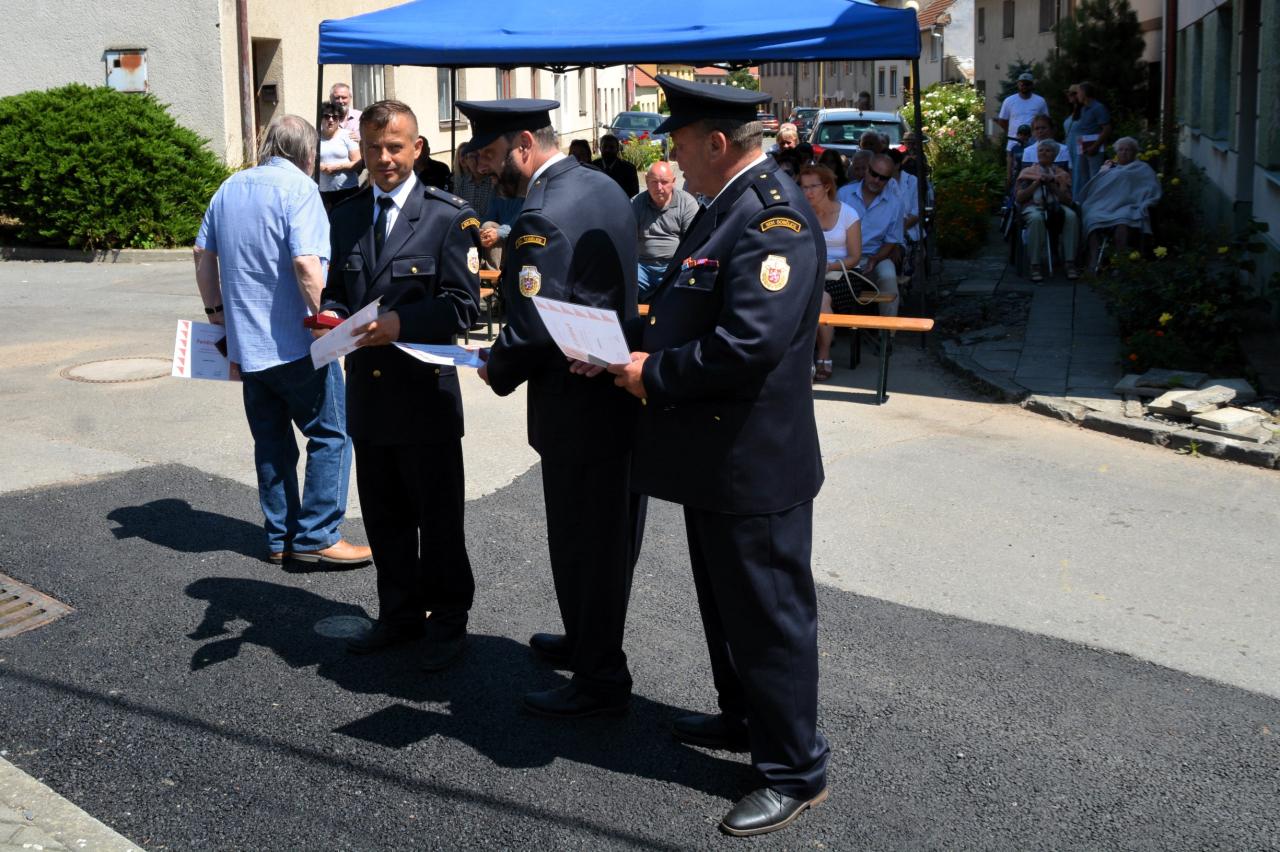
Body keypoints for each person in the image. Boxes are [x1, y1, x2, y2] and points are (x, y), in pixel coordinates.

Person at [600, 74, 830, 838]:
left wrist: (653, 374)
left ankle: (793, 770)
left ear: (717, 143)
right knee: (728, 608)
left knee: (768, 618)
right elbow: (687, 309)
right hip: (715, 456)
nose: (670, 158)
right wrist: (625, 349)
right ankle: (745, 718)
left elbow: (747, 344)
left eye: (679, 143)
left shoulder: (772, 219)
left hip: (754, 462)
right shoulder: (725, 207)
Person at [462, 97, 645, 719]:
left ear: (523, 144)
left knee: (581, 543)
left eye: (490, 155)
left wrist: (496, 367)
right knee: (607, 539)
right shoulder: (602, 186)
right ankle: (587, 639)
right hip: (612, 394)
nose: (484, 169)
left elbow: (534, 321)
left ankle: (599, 678)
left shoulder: (542, 212)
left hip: (575, 404)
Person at [318, 100, 482, 669]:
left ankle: (448, 620)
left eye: (395, 147)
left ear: (417, 148)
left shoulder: (447, 216)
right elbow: (338, 290)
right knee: (384, 517)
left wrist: (400, 324)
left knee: (438, 520)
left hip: (425, 397)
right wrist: (332, 315)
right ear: (360, 150)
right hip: (370, 394)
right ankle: (399, 614)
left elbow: (463, 306)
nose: (384, 158)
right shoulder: (345, 214)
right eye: (373, 148)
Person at [194, 115, 370, 568]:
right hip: (297, 342)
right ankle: (317, 535)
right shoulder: (301, 189)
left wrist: (217, 317)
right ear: (309, 154)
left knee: (271, 442)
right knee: (331, 434)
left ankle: (280, 535)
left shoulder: (229, 188)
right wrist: (326, 323)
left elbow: (201, 253)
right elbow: (307, 263)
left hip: (246, 344)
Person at [799, 165, 861, 382]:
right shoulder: (801, 213)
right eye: (804, 187)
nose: (808, 192)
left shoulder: (848, 214)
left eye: (813, 186)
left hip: (843, 273)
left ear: (826, 187)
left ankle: (823, 355)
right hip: (810, 273)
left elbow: (855, 257)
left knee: (821, 298)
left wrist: (829, 266)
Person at [836, 153, 903, 316]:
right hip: (842, 255)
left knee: (888, 276)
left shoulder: (895, 203)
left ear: (889, 180)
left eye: (883, 178)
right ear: (866, 170)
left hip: (874, 255)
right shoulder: (844, 194)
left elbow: (891, 240)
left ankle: (887, 329)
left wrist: (876, 258)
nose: (877, 180)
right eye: (874, 174)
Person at [1078, 136, 1161, 265]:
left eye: (1128, 150)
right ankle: (1093, 260)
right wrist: (1104, 171)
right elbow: (1098, 187)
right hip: (1103, 205)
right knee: (1091, 218)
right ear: (1116, 152)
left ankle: (1120, 263)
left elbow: (1152, 188)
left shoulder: (1142, 168)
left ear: (1135, 152)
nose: (1124, 152)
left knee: (1123, 220)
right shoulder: (1109, 168)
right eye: (1121, 150)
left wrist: (1146, 202)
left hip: (1128, 205)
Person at [633, 160, 698, 302]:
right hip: (641, 267)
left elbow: (693, 242)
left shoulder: (687, 203)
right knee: (622, 283)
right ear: (646, 181)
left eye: (664, 182)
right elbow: (626, 239)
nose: (659, 187)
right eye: (654, 182)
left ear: (673, 181)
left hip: (673, 267)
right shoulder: (636, 203)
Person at [1015, 139, 1079, 282]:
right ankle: (1035, 264)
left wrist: (1052, 185)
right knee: (1036, 218)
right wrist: (1037, 182)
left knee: (1071, 216)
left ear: (1055, 155)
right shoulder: (1028, 172)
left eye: (1048, 151)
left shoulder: (1061, 174)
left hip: (1056, 205)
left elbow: (1067, 201)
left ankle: (1069, 262)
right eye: (1041, 150)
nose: (1043, 153)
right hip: (1033, 205)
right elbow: (1019, 198)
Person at [318, 100, 361, 212]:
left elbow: (358, 163)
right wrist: (319, 166)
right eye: (326, 116)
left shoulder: (347, 135)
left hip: (347, 190)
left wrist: (337, 167)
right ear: (321, 118)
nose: (330, 120)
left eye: (335, 117)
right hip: (324, 192)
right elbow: (308, 161)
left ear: (339, 119)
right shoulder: (315, 137)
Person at [1072, 81, 1112, 198]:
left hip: (1094, 147)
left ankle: (1097, 200)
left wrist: (1095, 146)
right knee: (1083, 176)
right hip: (1083, 146)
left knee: (1095, 176)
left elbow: (1107, 129)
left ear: (1084, 93)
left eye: (1078, 92)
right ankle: (1085, 201)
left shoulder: (1098, 108)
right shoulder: (1084, 109)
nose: (1077, 95)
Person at [996, 72, 1049, 154]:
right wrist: (1012, 133)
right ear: (1018, 84)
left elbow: (1045, 121)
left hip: (1034, 144)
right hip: (1013, 143)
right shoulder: (1009, 101)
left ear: (1032, 85)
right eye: (1022, 84)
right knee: (1012, 162)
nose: (1024, 86)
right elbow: (1002, 120)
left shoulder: (1040, 101)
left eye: (1027, 84)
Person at [453, 148, 495, 222]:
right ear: (466, 161)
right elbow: (456, 210)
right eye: (472, 156)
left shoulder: (493, 182)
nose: (476, 160)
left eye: (478, 156)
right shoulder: (461, 184)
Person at [592, 134, 640, 198]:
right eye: (605, 147)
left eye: (611, 147)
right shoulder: (592, 166)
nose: (607, 150)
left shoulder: (629, 168)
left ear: (617, 149)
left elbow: (634, 191)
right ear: (600, 148)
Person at [1007, 123, 1032, 189]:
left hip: (1028, 176)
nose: (1022, 136)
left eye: (1025, 134)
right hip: (1016, 176)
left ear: (1029, 136)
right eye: (1020, 134)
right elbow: (1010, 163)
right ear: (1017, 135)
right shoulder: (1014, 148)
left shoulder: (1031, 148)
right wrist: (1009, 175)